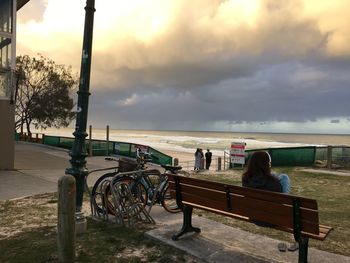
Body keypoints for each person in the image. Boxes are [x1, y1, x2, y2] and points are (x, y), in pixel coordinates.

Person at [242, 151, 296, 252]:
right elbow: (280, 201)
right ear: (266, 164)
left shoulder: (245, 179)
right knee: (284, 177)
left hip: (254, 216)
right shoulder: (274, 182)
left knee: (278, 176)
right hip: (273, 220)